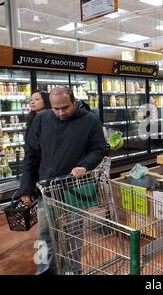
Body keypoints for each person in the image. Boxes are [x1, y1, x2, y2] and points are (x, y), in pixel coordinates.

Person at [18, 87, 106, 275]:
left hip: (74, 189)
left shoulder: (90, 120)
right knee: (45, 236)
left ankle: (73, 271)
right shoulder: (42, 119)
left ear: (74, 101)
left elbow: (99, 149)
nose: (60, 113)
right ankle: (44, 271)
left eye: (65, 108)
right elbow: (31, 155)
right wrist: (25, 187)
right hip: (47, 189)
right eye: (56, 108)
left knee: (74, 235)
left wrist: (85, 165)